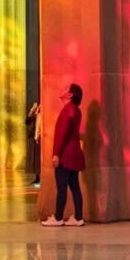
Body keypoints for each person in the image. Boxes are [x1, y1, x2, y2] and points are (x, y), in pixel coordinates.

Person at [42, 83, 86, 227]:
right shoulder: (76, 110)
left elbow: (62, 134)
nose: (62, 89)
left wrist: (56, 154)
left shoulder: (68, 110)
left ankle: (58, 216)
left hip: (66, 155)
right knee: (74, 186)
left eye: (65, 88)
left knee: (62, 187)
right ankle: (78, 217)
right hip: (74, 153)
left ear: (70, 94)